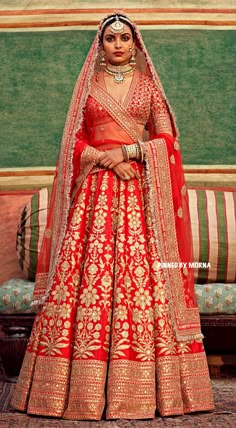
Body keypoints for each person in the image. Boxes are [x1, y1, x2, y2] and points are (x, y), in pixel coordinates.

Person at [11, 13, 214, 420]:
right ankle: (71, 393)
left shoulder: (148, 88)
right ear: (100, 45)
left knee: (142, 278)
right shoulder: (87, 89)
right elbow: (74, 142)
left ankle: (152, 393)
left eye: (125, 38)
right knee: (89, 277)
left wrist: (130, 153)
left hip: (141, 195)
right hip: (95, 196)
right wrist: (105, 159)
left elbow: (167, 138)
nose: (118, 44)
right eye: (110, 38)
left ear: (135, 45)